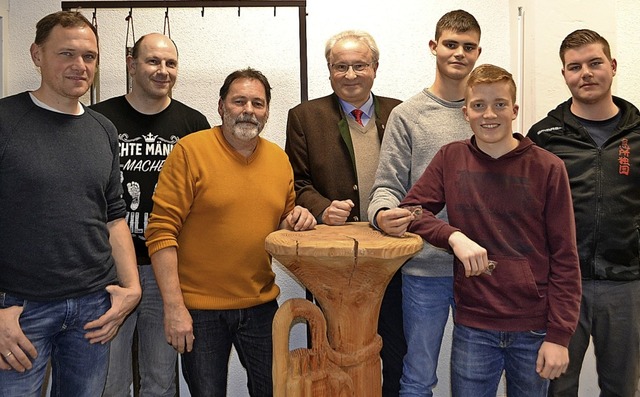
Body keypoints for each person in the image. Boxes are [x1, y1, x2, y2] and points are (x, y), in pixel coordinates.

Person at [398, 64, 581, 396]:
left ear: (514, 110)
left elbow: (566, 259)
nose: (489, 114)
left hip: (534, 328)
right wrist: (453, 236)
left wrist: (559, 336)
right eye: (479, 105)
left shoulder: (548, 168)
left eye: (499, 104)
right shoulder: (450, 158)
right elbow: (413, 210)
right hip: (474, 325)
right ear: (465, 112)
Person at [145, 68, 317, 396]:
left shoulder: (279, 161)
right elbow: (161, 231)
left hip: (261, 303)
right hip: (199, 309)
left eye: (258, 102)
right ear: (222, 106)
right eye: (239, 101)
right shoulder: (190, 151)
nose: (248, 110)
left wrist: (297, 220)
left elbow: (280, 224)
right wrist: (174, 306)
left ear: (267, 111)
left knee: (274, 390)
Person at [0, 11, 141, 396]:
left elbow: (114, 216)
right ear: (36, 55)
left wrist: (132, 289)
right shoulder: (5, 121)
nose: (80, 66)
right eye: (66, 54)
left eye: (90, 57)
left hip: (93, 308)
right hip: (19, 312)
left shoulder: (103, 129)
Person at [368, 10, 482, 396]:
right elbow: (386, 186)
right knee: (417, 377)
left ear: (478, 53)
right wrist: (382, 214)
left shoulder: (488, 113)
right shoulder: (407, 116)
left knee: (475, 377)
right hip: (424, 270)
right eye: (451, 44)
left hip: (480, 267)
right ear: (434, 47)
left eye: (468, 47)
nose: (459, 53)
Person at [284, 29, 404, 395]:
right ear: (329, 70)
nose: (350, 74)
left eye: (359, 65)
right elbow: (296, 184)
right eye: (340, 67)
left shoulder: (401, 112)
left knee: (397, 350)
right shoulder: (304, 116)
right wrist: (321, 210)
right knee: (332, 352)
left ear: (375, 68)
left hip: (392, 258)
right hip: (333, 262)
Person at [90, 33, 210, 397]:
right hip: (109, 271)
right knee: (110, 381)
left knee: (161, 380)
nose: (162, 71)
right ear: (131, 65)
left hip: (167, 272)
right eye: (152, 61)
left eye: (170, 63)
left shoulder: (194, 124)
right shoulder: (100, 119)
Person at [528, 29, 640, 396]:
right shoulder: (544, 136)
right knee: (556, 388)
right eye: (574, 67)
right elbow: (526, 212)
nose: (585, 73)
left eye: (594, 63)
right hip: (562, 286)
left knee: (622, 388)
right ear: (564, 75)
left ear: (612, 66)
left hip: (627, 284)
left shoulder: (637, 134)